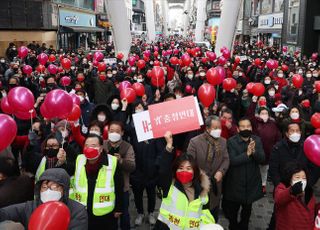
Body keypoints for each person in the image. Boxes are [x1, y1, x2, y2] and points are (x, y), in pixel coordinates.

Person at [154, 131, 215, 229]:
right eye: (181, 168)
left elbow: (205, 212)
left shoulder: (203, 190)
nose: (184, 171)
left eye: (188, 168)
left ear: (194, 171)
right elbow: (163, 170)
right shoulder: (169, 186)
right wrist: (169, 146)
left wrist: (209, 226)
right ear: (175, 170)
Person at [0, 168, 88, 230]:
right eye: (44, 187)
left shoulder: (77, 211)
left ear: (64, 190)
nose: (48, 191)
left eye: (54, 187)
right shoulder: (31, 207)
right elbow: (5, 213)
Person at [70, 134, 123, 229]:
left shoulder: (112, 161)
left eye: (93, 145)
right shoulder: (79, 159)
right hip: (82, 210)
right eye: (86, 145)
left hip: (105, 213)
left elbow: (119, 186)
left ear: (101, 148)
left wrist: (118, 208)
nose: (89, 148)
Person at [222, 118, 265, 230]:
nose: (246, 128)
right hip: (235, 184)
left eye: (248, 126)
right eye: (243, 126)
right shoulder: (231, 141)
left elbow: (262, 159)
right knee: (233, 213)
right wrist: (247, 154)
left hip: (251, 183)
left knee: (246, 213)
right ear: (238, 128)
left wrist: (254, 152)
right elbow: (233, 161)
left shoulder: (257, 140)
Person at [187, 115, 230, 221]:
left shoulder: (223, 141)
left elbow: (226, 159)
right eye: (215, 128)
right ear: (207, 128)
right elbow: (190, 162)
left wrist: (221, 171)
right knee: (197, 216)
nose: (218, 130)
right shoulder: (195, 142)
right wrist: (200, 176)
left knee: (212, 214)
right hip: (199, 185)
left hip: (215, 185)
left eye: (219, 128)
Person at [104, 121, 136, 229]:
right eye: (111, 131)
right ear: (108, 132)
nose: (114, 133)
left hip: (123, 187)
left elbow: (132, 166)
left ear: (122, 133)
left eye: (117, 131)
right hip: (105, 187)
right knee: (107, 215)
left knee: (124, 214)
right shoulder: (103, 144)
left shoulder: (127, 147)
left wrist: (120, 160)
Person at [274, 161, 316, 230]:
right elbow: (279, 199)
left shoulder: (309, 192)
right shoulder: (282, 187)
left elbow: (312, 210)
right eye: (297, 177)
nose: (301, 180)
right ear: (290, 178)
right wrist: (292, 191)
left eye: (304, 178)